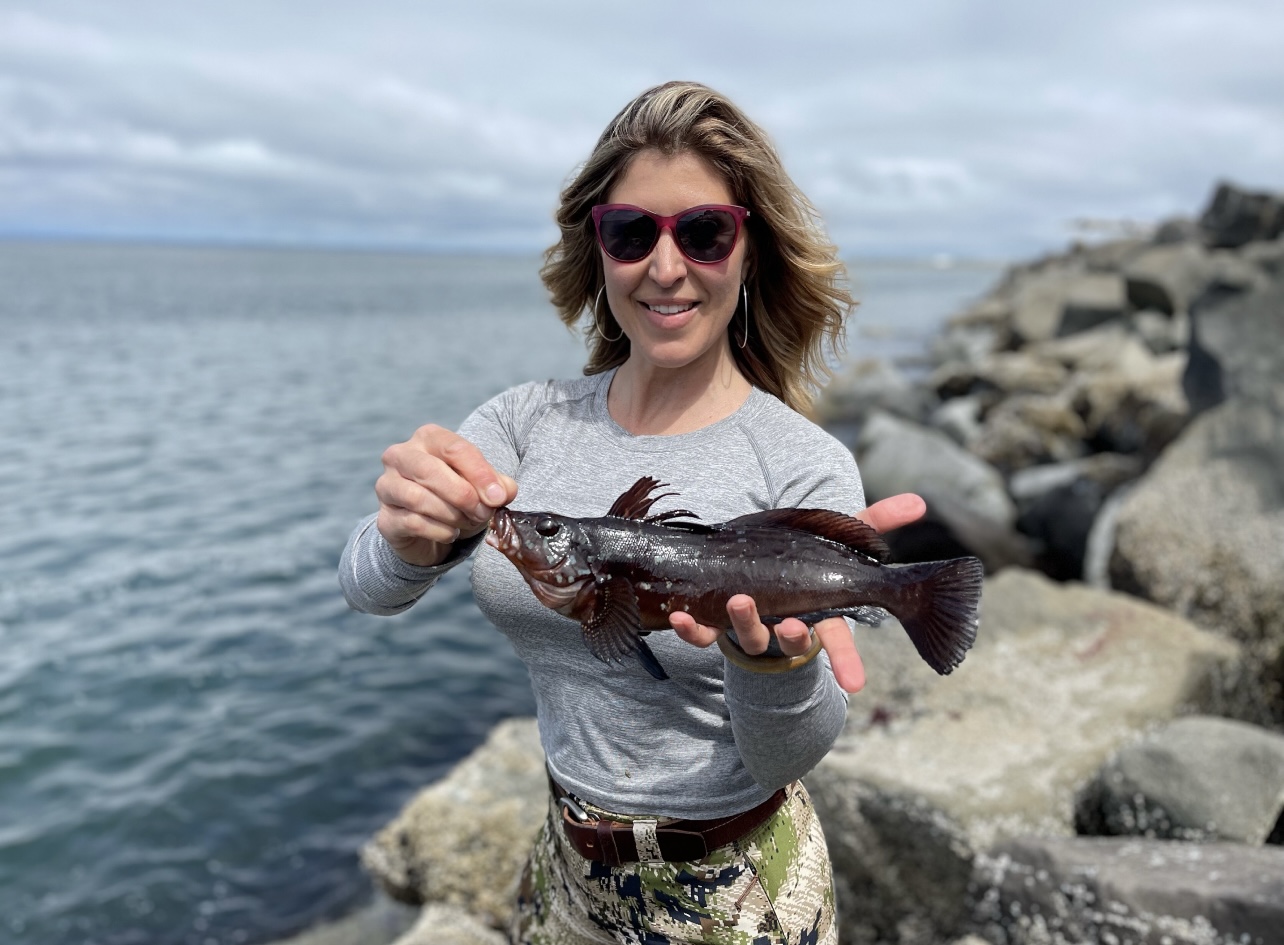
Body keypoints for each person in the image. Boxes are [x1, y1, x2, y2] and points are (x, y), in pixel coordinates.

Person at [340, 80, 925, 945]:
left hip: (737, 891)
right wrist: (407, 538)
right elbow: (367, 588)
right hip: (564, 869)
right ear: (597, 246)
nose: (664, 265)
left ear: (746, 249)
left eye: (702, 231)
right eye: (629, 232)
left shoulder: (801, 463)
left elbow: (787, 756)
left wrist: (776, 672)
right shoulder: (523, 422)